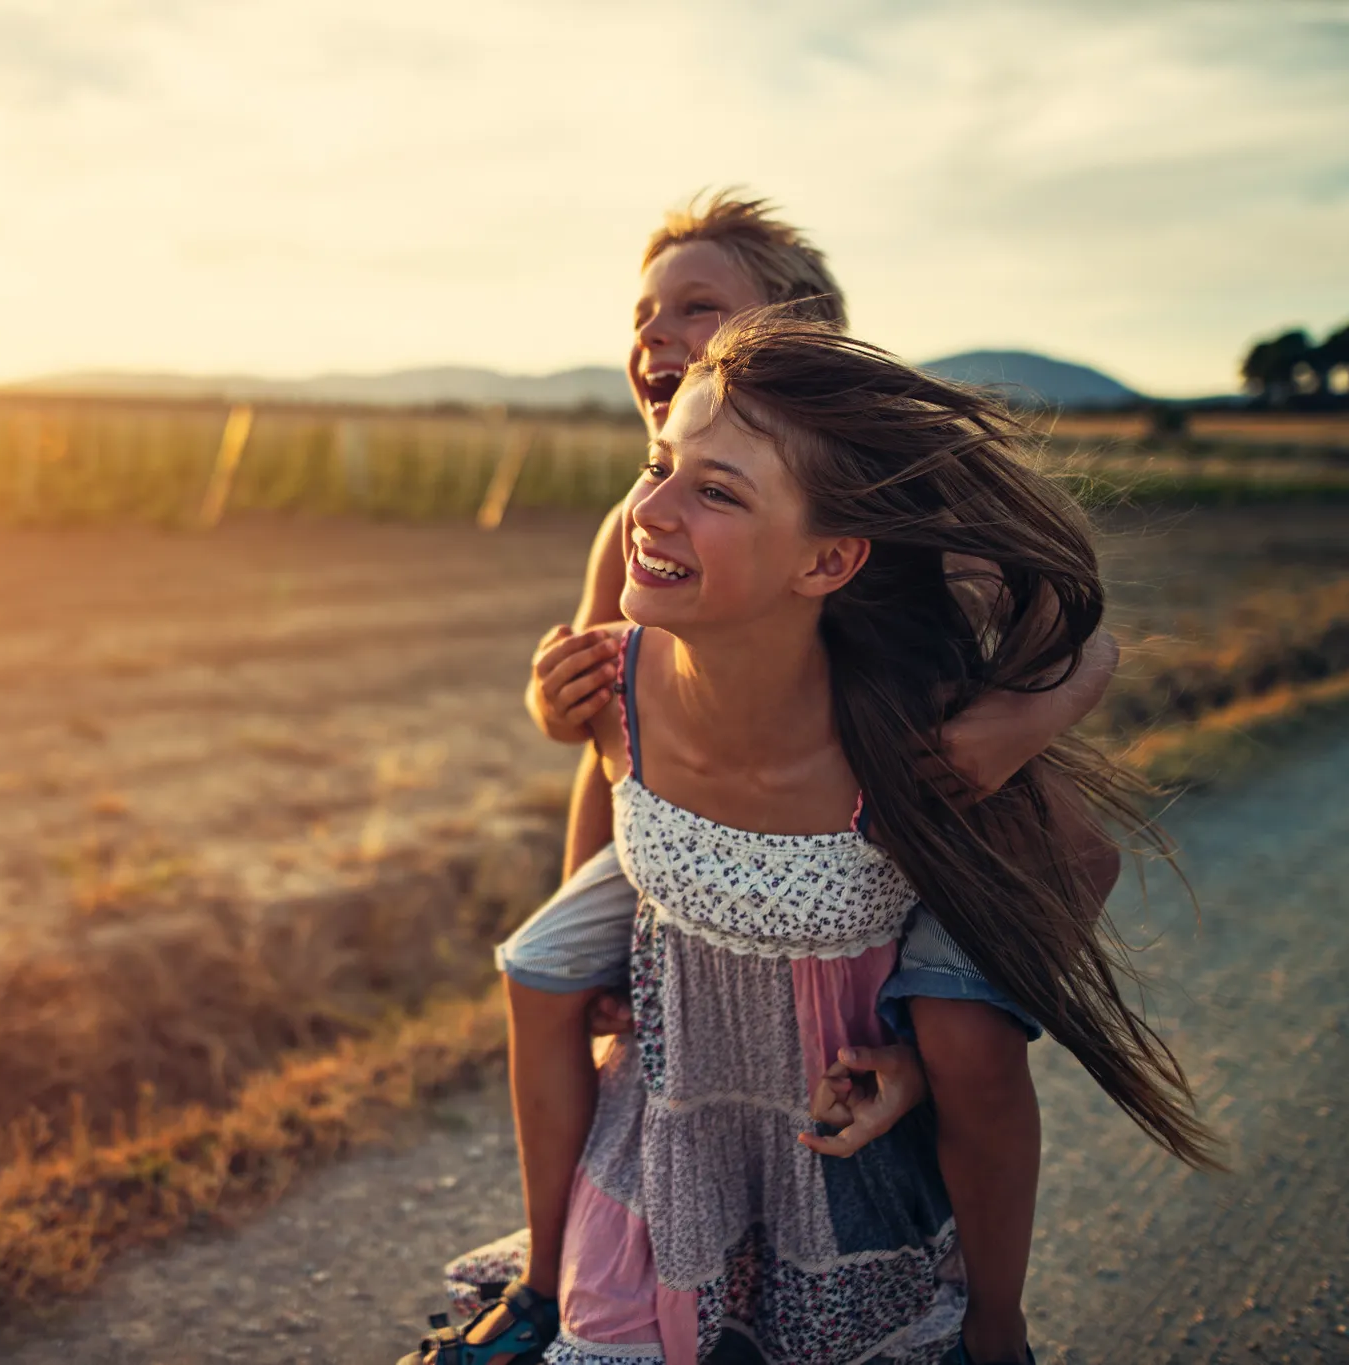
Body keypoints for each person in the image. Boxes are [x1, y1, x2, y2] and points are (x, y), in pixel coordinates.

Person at [415, 310, 1217, 1365]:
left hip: (830, 1153)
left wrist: (920, 1063)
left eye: (716, 490)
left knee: (972, 1059)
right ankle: (535, 1293)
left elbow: (1081, 855)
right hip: (660, 1134)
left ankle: (995, 1334)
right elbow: (599, 818)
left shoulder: (909, 734)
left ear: (827, 560)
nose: (646, 509)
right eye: (657, 466)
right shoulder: (610, 689)